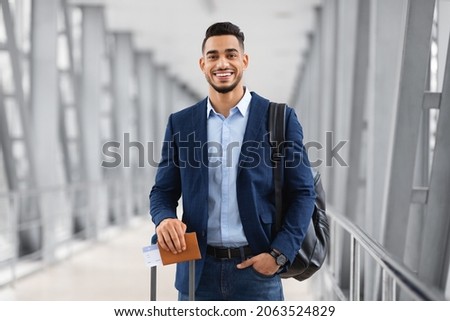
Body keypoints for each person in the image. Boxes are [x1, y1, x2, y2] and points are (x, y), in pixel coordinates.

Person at [150, 22, 315, 301]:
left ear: (244, 60)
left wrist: (278, 255)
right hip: (197, 273)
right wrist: (164, 218)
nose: (222, 63)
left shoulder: (279, 118)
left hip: (258, 273)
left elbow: (303, 192)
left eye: (231, 54)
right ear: (203, 64)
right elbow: (163, 191)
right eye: (213, 56)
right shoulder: (181, 123)